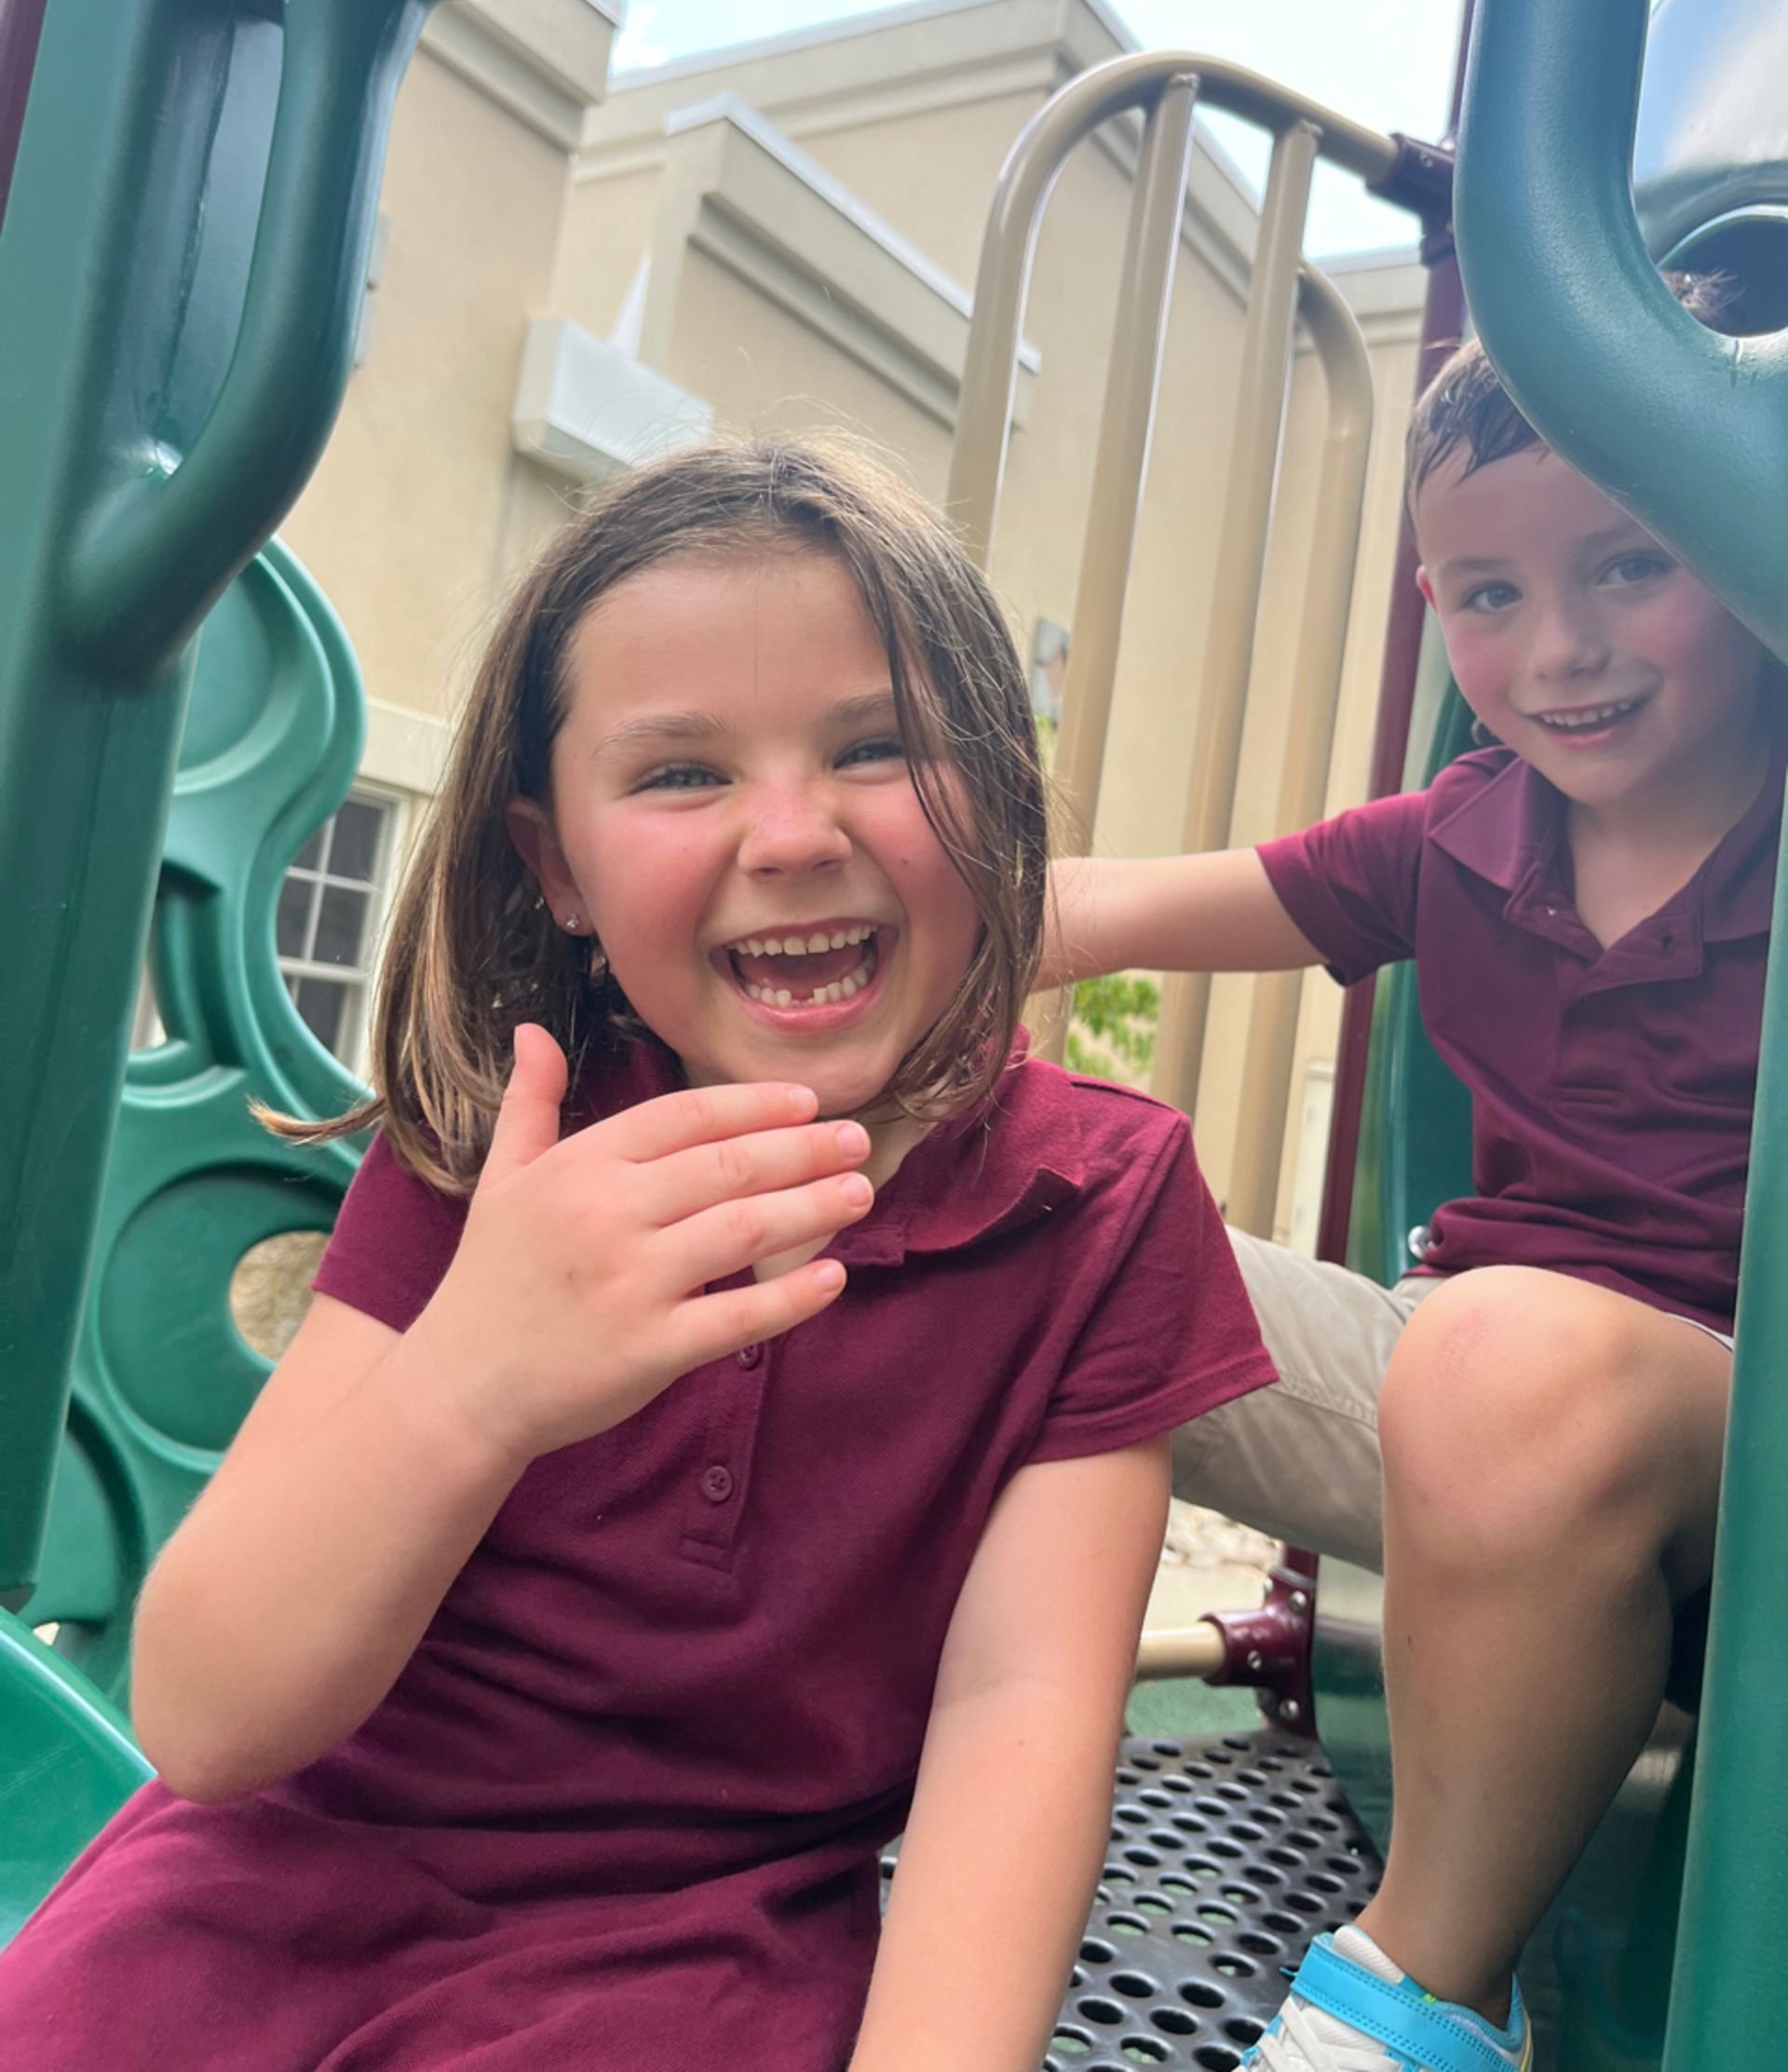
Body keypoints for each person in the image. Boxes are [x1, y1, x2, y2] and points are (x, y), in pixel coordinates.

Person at [0, 440, 1273, 2071]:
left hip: (701, 1934)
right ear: (558, 868)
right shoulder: (492, 1142)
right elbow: (208, 1721)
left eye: (877, 746)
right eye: (682, 773)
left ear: (1000, 797)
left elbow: (1018, 1718)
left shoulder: (1096, 1204)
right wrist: (475, 1383)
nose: (794, 831)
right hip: (281, 1878)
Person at [1047, 299, 1776, 2072]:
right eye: (1493, 591)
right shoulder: (1459, 835)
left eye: (1631, 561)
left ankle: (1416, 1997)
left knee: (1505, 1356)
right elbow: (1084, 909)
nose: (1562, 649)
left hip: (1722, 1418)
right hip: (1469, 1386)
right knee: (1043, 1224)